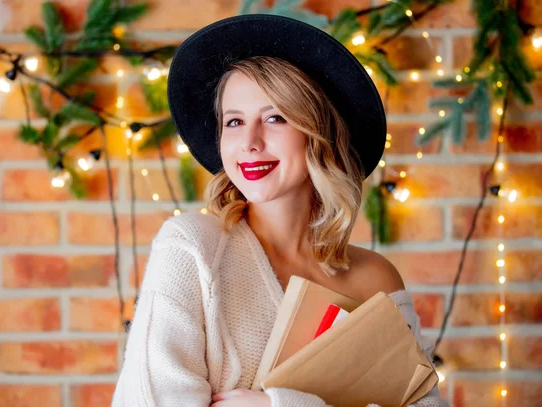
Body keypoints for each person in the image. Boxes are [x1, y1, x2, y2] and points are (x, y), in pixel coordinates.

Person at [111, 14, 449, 407]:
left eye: (275, 118)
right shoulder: (191, 249)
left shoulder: (375, 280)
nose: (250, 142)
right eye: (234, 121)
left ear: (319, 133)